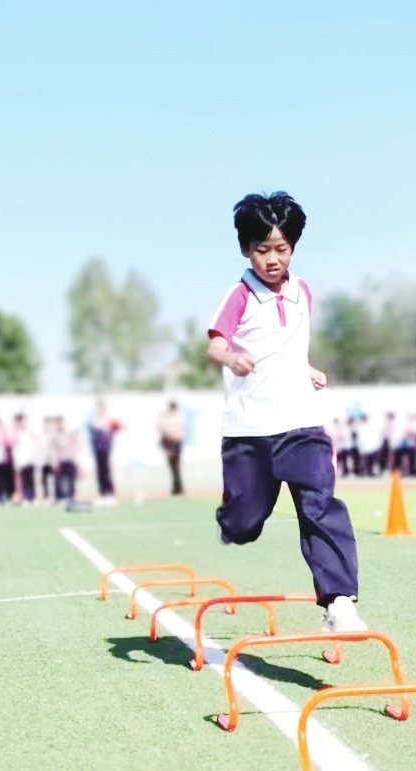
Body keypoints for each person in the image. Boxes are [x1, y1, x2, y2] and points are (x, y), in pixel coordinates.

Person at [206, 190, 364, 632]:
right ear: (246, 249)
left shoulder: (303, 292)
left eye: (281, 248)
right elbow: (216, 345)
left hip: (301, 425)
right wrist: (231, 358)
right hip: (250, 431)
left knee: (321, 506)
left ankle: (339, 602)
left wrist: (305, 369)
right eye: (262, 250)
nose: (272, 259)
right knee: (245, 523)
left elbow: (289, 344)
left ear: (293, 246)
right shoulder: (239, 294)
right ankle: (231, 521)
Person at [89, 400, 120, 502]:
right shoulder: (94, 419)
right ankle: (102, 493)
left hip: (106, 447)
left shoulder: (109, 419)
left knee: (106, 469)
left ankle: (109, 492)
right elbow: (95, 429)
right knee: (100, 470)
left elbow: (117, 428)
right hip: (97, 447)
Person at [156, 400, 186, 496]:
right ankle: (177, 487)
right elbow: (162, 428)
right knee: (173, 465)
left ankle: (177, 487)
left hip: (174, 442)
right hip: (170, 442)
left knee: (175, 465)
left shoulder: (176, 417)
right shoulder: (168, 416)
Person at [11, 413, 39, 503]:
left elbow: (35, 446)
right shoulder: (15, 434)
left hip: (30, 460)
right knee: (22, 481)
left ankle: (31, 498)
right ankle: (24, 497)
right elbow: (15, 449)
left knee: (31, 480)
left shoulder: (30, 433)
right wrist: (17, 462)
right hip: (21, 461)